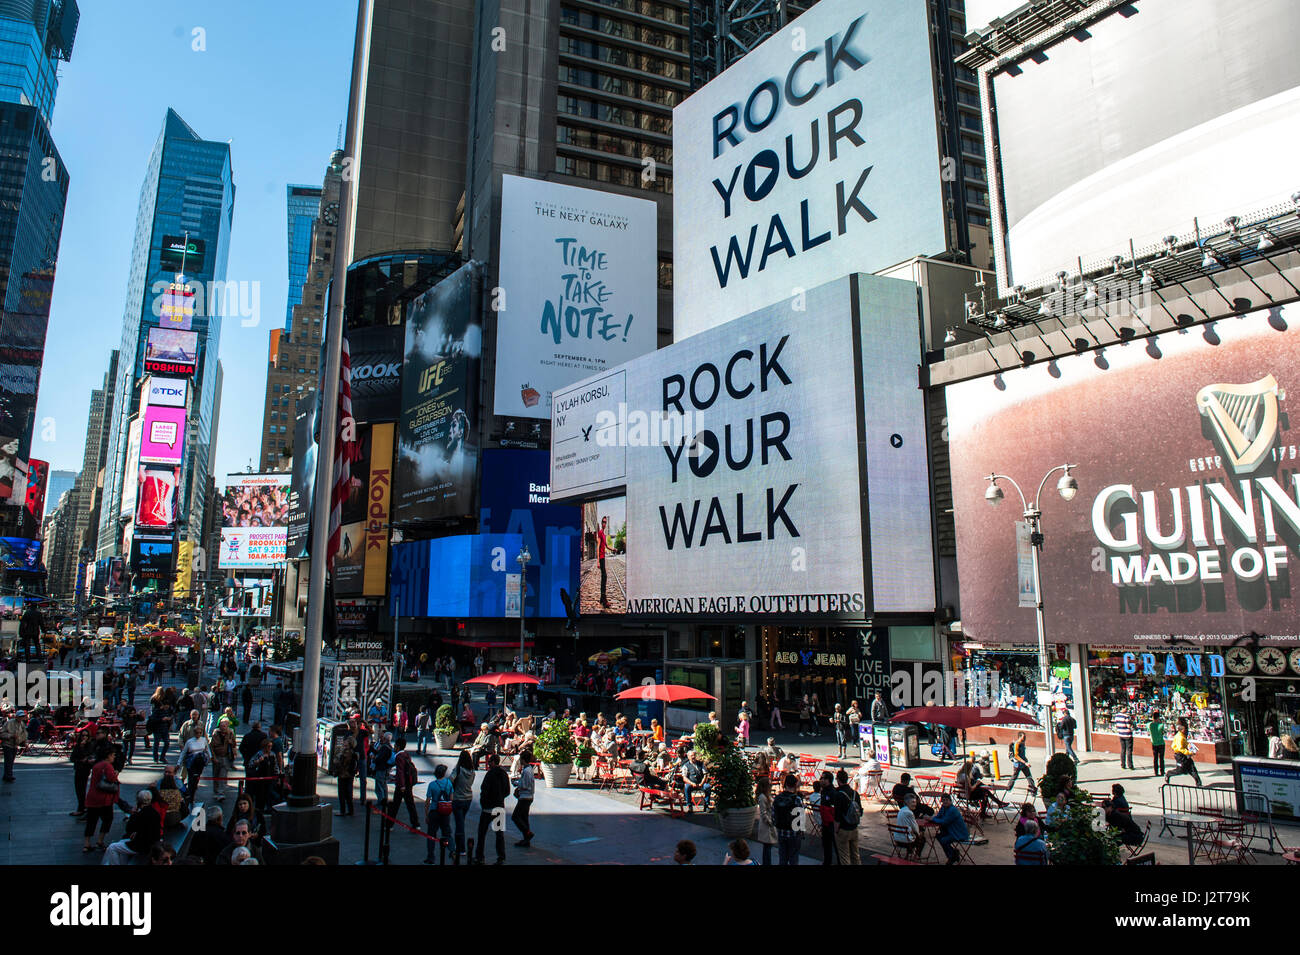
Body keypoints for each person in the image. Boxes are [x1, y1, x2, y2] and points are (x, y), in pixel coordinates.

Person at [103, 790, 162, 865]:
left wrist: (133, 814)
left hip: (142, 845)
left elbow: (129, 828)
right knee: (121, 844)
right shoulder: (155, 812)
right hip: (151, 842)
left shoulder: (140, 814)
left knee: (112, 847)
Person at [475, 753, 510, 865]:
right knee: (499, 834)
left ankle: (480, 856)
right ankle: (501, 857)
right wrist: (500, 798)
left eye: (490, 762)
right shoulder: (504, 774)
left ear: (493, 762)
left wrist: (484, 803)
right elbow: (507, 791)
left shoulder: (489, 775)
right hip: (499, 808)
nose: (489, 764)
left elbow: (484, 790)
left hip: (488, 809)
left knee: (482, 833)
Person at [83, 748, 119, 853]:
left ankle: (87, 843)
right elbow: (111, 779)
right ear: (108, 756)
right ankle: (100, 840)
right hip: (104, 798)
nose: (114, 757)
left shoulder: (96, 765)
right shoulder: (108, 766)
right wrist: (116, 773)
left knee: (91, 821)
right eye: (113, 755)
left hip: (92, 797)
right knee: (108, 819)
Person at [423, 764, 454, 864]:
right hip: (445, 812)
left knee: (431, 835)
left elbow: (428, 800)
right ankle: (452, 850)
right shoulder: (448, 783)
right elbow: (451, 798)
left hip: (434, 811)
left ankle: (430, 857)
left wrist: (426, 814)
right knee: (447, 833)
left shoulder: (432, 785)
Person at [927, 792, 970, 865]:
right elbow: (938, 817)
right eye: (943, 800)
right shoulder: (943, 808)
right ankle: (953, 854)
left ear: (950, 801)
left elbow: (944, 821)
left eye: (947, 800)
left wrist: (932, 819)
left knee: (944, 840)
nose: (945, 802)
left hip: (958, 833)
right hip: (950, 831)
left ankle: (952, 856)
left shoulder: (952, 810)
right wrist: (931, 818)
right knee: (939, 836)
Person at [772, 773, 804, 865]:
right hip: (794, 832)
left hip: (781, 831)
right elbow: (801, 817)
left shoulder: (777, 798)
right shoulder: (797, 799)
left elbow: (773, 815)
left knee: (782, 858)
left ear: (785, 784)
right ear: (794, 785)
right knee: (793, 858)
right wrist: (801, 831)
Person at [832, 768, 862, 865]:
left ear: (838, 780)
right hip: (854, 828)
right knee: (855, 855)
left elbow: (837, 815)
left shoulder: (838, 795)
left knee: (844, 857)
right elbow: (860, 811)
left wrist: (836, 830)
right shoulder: (855, 793)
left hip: (843, 828)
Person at [450, 749, 475, 861]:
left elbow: (451, 779)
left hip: (458, 798)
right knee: (461, 821)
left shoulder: (458, 769)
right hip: (468, 798)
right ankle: (460, 846)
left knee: (459, 824)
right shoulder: (472, 771)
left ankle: (461, 848)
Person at [1164, 718, 1203, 786]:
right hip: (1180, 756)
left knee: (1192, 768)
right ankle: (1169, 774)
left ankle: (1198, 783)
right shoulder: (1180, 737)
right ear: (1181, 730)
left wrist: (1190, 747)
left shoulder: (1182, 736)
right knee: (1180, 770)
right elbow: (1180, 748)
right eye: (1185, 729)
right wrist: (1189, 752)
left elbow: (1181, 745)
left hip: (1185, 755)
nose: (1186, 731)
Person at [391, 738, 421, 828]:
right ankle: (415, 824)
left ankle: (389, 824)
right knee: (410, 804)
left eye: (395, 746)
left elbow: (400, 771)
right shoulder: (406, 754)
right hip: (409, 783)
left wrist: (401, 785)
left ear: (398, 746)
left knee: (395, 805)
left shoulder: (399, 757)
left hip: (402, 785)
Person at [511, 747, 536, 848]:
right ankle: (526, 839)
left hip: (525, 797)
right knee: (524, 818)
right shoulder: (529, 769)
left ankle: (527, 832)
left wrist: (517, 783)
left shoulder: (526, 771)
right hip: (529, 797)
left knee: (516, 817)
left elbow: (525, 785)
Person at [753, 776, 777, 865]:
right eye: (769, 785)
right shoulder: (763, 797)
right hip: (767, 825)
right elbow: (763, 813)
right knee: (767, 847)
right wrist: (770, 822)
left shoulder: (766, 796)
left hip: (769, 823)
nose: (771, 787)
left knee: (767, 847)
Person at [1005, 731, 1038, 797]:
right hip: (1018, 764)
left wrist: (1025, 760)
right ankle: (1008, 788)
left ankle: (1033, 791)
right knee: (1014, 777)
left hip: (1023, 764)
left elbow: (1022, 754)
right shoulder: (1017, 744)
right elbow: (1016, 756)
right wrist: (1025, 762)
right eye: (1024, 737)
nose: (1025, 738)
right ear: (1020, 737)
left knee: (1029, 777)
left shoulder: (1022, 743)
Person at [334, 735, 358, 816]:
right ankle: (350, 810)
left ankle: (343, 810)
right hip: (349, 775)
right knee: (348, 793)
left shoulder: (346, 752)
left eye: (346, 741)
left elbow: (339, 763)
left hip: (343, 774)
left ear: (349, 743)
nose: (344, 742)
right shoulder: (352, 752)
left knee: (342, 793)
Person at [893, 792, 922, 859]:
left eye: (915, 802)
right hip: (905, 841)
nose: (915, 804)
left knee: (913, 836)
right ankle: (915, 856)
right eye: (913, 802)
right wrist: (918, 834)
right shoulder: (909, 813)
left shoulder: (901, 810)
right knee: (921, 839)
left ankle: (909, 854)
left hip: (897, 839)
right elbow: (915, 827)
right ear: (907, 803)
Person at [1, 708, 27, 781]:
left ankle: (8, 775)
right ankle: (8, 775)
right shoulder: (9, 723)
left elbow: (24, 734)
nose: (21, 718)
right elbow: (2, 733)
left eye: (22, 716)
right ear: (16, 716)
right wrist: (11, 735)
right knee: (8, 760)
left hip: (15, 744)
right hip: (7, 744)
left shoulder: (22, 724)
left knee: (11, 761)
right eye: (20, 716)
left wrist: (25, 743)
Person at [1113, 703, 1134, 770]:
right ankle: (1130, 765)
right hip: (1127, 734)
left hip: (1121, 734)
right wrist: (1132, 724)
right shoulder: (1126, 716)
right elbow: (1128, 726)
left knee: (1123, 750)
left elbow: (1117, 725)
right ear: (1122, 708)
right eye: (1125, 708)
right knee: (1129, 750)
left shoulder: (1116, 716)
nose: (1126, 709)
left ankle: (1123, 765)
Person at [597, 515, 610, 607]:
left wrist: (613, 549)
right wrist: (597, 561)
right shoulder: (600, 532)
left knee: (604, 577)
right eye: (603, 522)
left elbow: (607, 546)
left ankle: (602, 598)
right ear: (601, 523)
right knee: (604, 576)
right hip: (600, 558)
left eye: (605, 522)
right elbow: (598, 547)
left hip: (603, 558)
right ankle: (604, 599)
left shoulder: (604, 535)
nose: (604, 523)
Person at [1149, 711, 1166, 777]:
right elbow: (1162, 732)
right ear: (1158, 717)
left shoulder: (1150, 725)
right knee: (1161, 758)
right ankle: (1162, 771)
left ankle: (1156, 771)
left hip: (1154, 743)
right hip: (1161, 742)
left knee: (1155, 758)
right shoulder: (1161, 725)